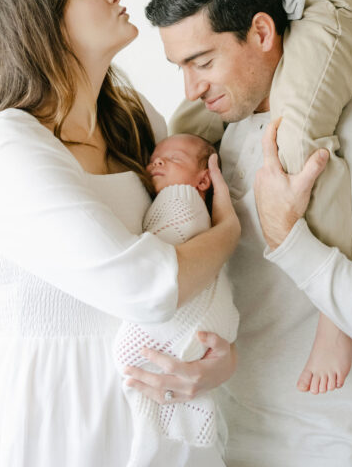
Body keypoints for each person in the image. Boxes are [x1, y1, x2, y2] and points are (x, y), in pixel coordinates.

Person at [21, 0, 352, 391]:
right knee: (184, 131)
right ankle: (203, 267)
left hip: (316, 6)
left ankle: (337, 315)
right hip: (261, 25)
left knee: (298, 135)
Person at [135, 0, 352, 467]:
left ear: (261, 31)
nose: (191, 88)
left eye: (204, 62)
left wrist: (291, 239)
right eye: (181, 68)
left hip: (330, 451)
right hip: (224, 445)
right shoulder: (221, 132)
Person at [0, 0, 240, 467]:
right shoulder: (6, 146)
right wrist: (229, 232)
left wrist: (219, 358)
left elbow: (192, 259)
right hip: (57, 419)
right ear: (42, 30)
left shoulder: (135, 120)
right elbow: (148, 285)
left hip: (155, 416)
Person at [115, 135, 239, 467]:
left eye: (174, 159)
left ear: (203, 179)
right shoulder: (182, 205)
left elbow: (166, 261)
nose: (157, 162)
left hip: (174, 319)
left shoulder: (181, 202)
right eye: (154, 158)